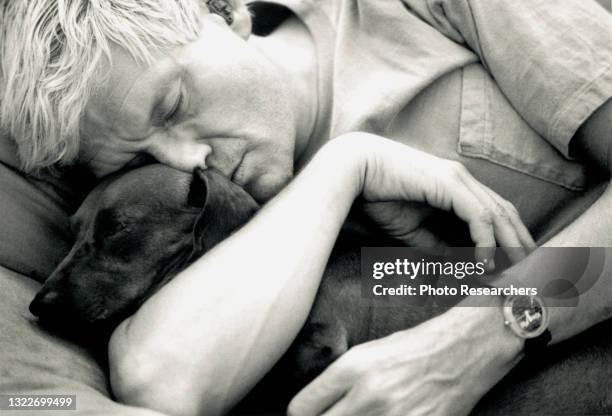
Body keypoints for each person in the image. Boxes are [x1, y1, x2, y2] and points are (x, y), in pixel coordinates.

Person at [0, 0, 611, 415]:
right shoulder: (207, 211)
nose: (189, 159)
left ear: (225, 13)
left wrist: (482, 336)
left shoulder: (411, 9)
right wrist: (344, 167)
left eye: (170, 103)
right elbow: (159, 381)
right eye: (140, 161)